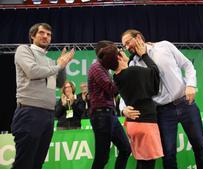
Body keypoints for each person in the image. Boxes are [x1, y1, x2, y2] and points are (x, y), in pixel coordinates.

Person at [121, 29, 203, 169]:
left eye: (127, 42)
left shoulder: (164, 46)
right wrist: (123, 108)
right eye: (124, 45)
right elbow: (128, 90)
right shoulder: (133, 65)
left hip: (186, 103)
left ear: (138, 37)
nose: (126, 47)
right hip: (162, 112)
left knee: (200, 147)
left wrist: (191, 84)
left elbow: (187, 65)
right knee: (168, 154)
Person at [11, 23, 74, 169]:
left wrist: (61, 65)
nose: (46, 36)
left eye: (49, 34)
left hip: (48, 115)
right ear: (32, 36)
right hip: (29, 112)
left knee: (37, 163)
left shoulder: (50, 61)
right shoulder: (24, 50)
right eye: (42, 33)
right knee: (24, 163)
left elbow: (59, 83)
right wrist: (58, 66)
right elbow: (32, 71)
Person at [101, 40, 163, 169]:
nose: (124, 52)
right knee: (148, 164)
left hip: (132, 124)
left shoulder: (117, 77)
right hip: (145, 122)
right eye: (120, 51)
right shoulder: (134, 71)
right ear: (118, 57)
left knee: (141, 161)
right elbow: (155, 73)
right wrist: (144, 55)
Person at [88, 40, 131, 169]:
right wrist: (122, 70)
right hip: (101, 115)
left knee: (125, 149)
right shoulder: (96, 67)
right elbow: (112, 89)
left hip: (110, 115)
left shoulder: (105, 69)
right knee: (102, 157)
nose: (116, 54)